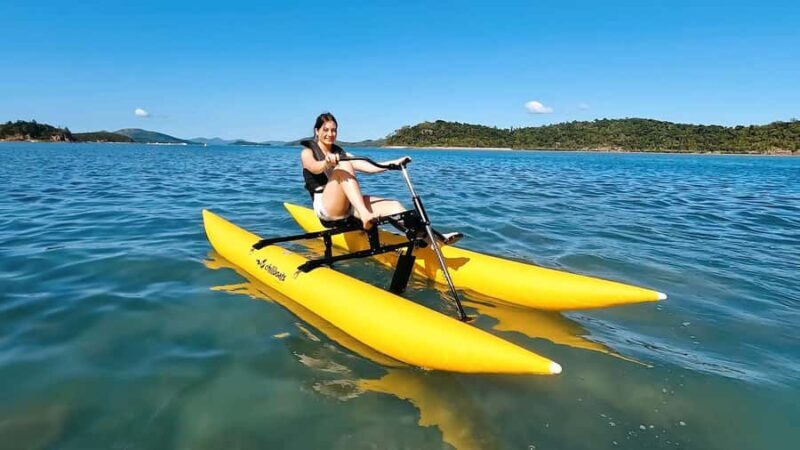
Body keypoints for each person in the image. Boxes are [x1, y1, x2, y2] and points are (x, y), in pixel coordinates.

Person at [300, 112, 462, 244]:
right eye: (326, 130)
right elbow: (314, 166)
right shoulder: (307, 152)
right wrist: (326, 162)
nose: (330, 134)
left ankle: (434, 239)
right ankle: (364, 215)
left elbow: (369, 167)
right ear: (317, 131)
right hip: (327, 208)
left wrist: (393, 163)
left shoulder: (340, 153)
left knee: (394, 206)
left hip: (347, 205)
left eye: (333, 130)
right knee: (343, 166)